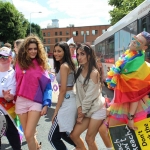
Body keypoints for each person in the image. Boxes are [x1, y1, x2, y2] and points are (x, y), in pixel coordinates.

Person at [99, 31, 150, 150]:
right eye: (135, 38)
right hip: (121, 103)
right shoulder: (129, 57)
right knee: (116, 136)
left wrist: (130, 118)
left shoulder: (138, 64)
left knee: (119, 136)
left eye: (139, 42)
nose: (134, 42)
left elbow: (135, 95)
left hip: (132, 107)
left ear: (144, 47)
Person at [15, 35, 52, 150]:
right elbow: (13, 81)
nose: (33, 51)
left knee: (29, 134)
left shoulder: (41, 65)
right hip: (20, 101)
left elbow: (47, 86)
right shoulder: (18, 63)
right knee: (28, 135)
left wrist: (46, 103)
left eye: (35, 49)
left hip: (35, 102)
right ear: (25, 49)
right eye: (30, 49)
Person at [70, 44, 106, 150]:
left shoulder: (94, 72)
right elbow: (77, 92)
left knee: (89, 139)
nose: (79, 57)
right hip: (86, 110)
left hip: (97, 109)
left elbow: (90, 97)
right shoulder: (78, 70)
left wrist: (81, 114)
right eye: (77, 54)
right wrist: (79, 108)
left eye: (82, 54)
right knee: (74, 135)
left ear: (89, 55)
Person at [48, 41, 77, 150]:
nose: (56, 53)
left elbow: (63, 90)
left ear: (65, 52)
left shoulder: (64, 66)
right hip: (69, 99)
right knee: (63, 133)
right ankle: (80, 146)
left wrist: (56, 110)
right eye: (55, 51)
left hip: (67, 100)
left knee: (52, 137)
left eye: (59, 51)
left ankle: (80, 146)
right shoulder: (63, 65)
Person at [0, 46, 22, 150]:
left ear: (11, 58)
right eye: (0, 56)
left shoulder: (13, 74)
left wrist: (8, 97)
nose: (2, 59)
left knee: (14, 139)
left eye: (5, 57)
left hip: (7, 111)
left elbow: (11, 93)